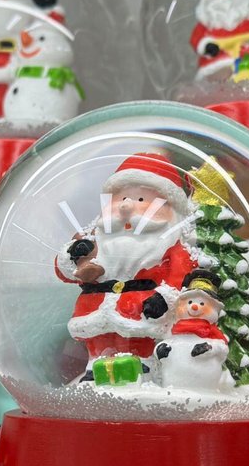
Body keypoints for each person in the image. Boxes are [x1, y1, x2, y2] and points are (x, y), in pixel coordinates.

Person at [56, 152, 195, 385]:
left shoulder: (171, 244)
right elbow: (66, 271)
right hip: (96, 301)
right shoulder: (95, 237)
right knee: (99, 338)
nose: (128, 206)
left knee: (139, 339)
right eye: (121, 199)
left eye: (141, 200)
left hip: (142, 303)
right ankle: (95, 368)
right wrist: (74, 256)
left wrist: (165, 298)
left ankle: (144, 367)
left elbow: (182, 274)